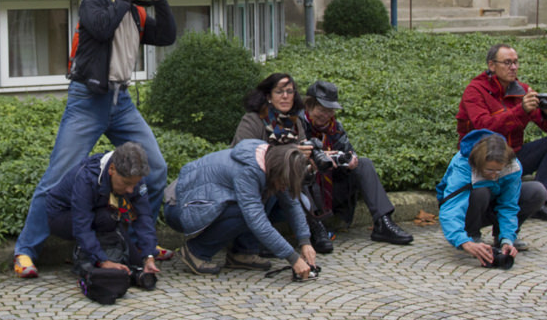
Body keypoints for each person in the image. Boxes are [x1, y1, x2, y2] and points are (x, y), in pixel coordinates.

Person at [13, 0, 177, 278]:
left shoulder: (135, 12)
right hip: (88, 100)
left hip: (122, 102)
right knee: (58, 176)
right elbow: (101, 29)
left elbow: (168, 36)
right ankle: (25, 252)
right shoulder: (95, 2)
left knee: (155, 169)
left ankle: (136, 244)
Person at [456, 43, 547, 222]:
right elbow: (484, 128)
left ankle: (540, 202)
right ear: (491, 65)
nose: (513, 67)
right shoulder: (475, 90)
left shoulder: (522, 90)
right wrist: (521, 110)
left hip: (513, 156)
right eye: (507, 63)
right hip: (482, 160)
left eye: (516, 62)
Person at [164, 140, 317, 277]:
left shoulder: (271, 161)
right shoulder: (248, 171)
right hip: (179, 208)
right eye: (283, 182)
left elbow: (292, 203)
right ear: (277, 171)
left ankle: (243, 253)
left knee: (268, 196)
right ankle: (196, 252)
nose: (284, 187)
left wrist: (305, 241)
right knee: (247, 212)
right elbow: (256, 221)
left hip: (201, 202)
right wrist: (293, 258)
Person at [298, 80, 414, 245]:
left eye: (330, 111)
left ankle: (383, 222)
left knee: (364, 164)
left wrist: (349, 160)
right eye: (321, 110)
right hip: (308, 187)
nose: (326, 115)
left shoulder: (335, 128)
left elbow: (348, 152)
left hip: (333, 188)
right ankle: (316, 226)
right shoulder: (297, 125)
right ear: (308, 106)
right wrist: (316, 159)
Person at [232, 73, 335, 253]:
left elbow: (299, 171)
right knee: (273, 188)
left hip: (283, 187)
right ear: (268, 96)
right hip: (252, 184)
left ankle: (290, 237)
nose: (286, 96)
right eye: (279, 92)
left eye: (290, 91)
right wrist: (290, 152)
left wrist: (310, 165)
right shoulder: (253, 120)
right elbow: (243, 156)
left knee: (303, 201)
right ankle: (246, 245)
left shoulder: (295, 123)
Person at [46, 142, 161, 294]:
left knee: (136, 262)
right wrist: (103, 261)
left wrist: (149, 255)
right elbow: (82, 225)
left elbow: (143, 216)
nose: (130, 190)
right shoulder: (86, 177)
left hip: (102, 212)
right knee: (107, 218)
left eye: (134, 184)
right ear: (112, 169)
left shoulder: (134, 176)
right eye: (126, 184)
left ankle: (111, 255)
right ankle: (88, 257)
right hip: (61, 216)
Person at [436, 130, 545, 266]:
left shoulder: (513, 166)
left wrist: (507, 239)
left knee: (537, 191)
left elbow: (509, 205)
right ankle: (472, 236)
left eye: (499, 171)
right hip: (469, 208)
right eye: (489, 170)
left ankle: (502, 239)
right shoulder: (463, 164)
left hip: (492, 205)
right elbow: (451, 208)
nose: (494, 175)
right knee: (481, 191)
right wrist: (464, 242)